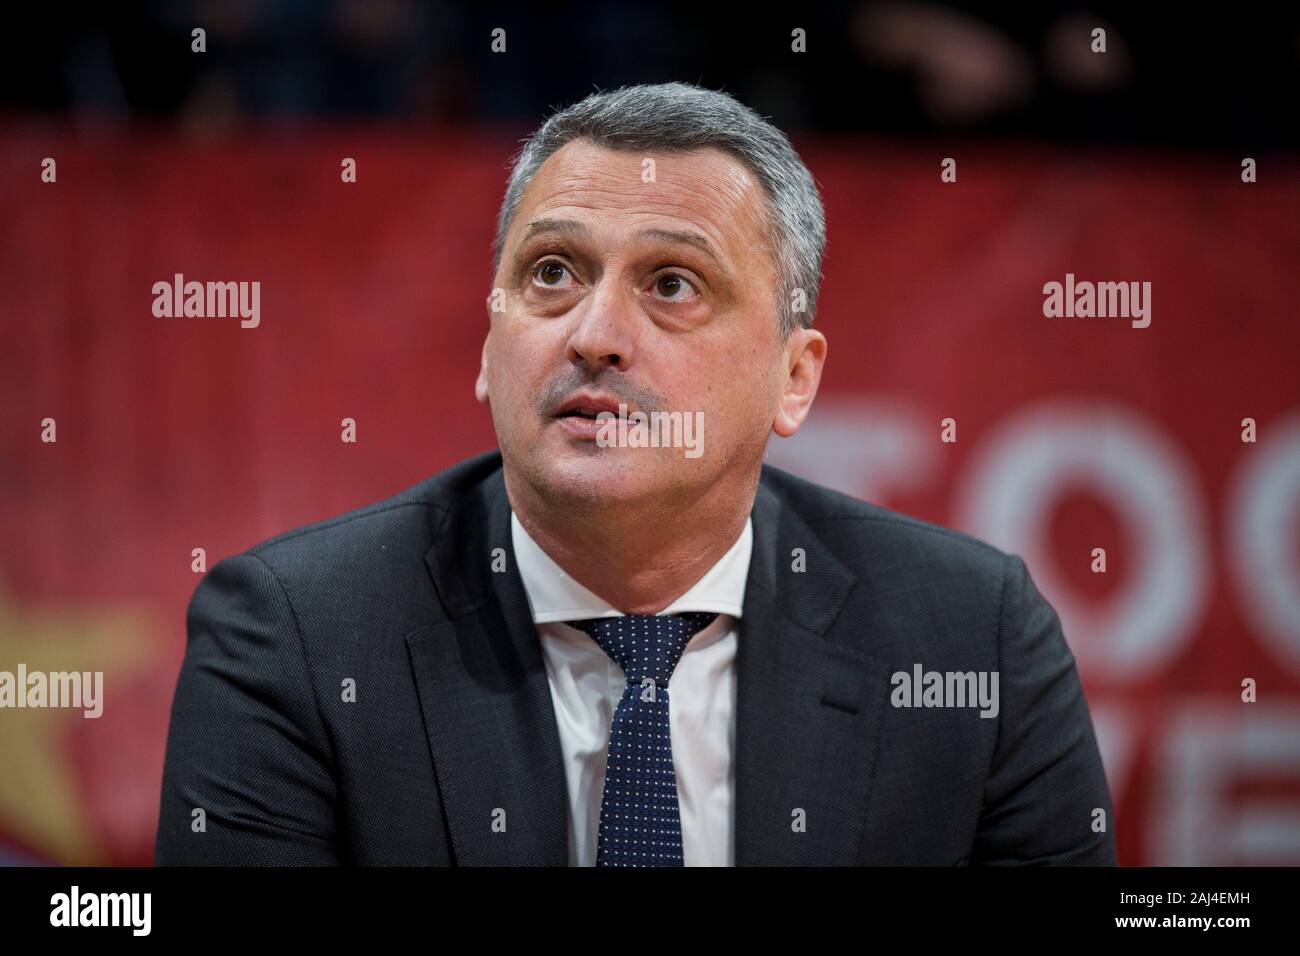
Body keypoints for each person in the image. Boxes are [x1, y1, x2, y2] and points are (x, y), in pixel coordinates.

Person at [156, 81, 1115, 866]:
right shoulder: (295, 639)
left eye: (671, 285)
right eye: (552, 273)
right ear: (490, 349)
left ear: (794, 377)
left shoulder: (971, 639)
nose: (596, 337)